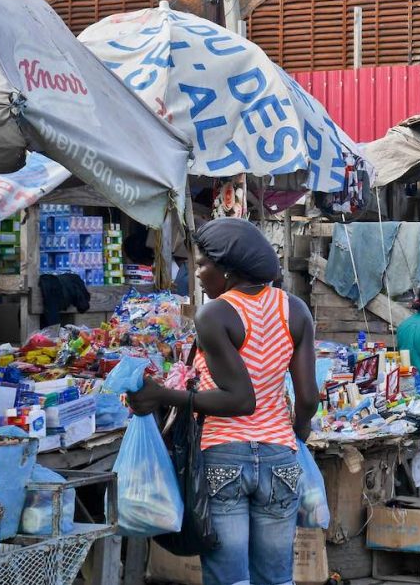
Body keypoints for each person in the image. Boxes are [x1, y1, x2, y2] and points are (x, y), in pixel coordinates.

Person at [127, 219, 318, 585]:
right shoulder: (295, 309)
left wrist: (162, 394)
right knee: (277, 578)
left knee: (229, 579)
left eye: (202, 264)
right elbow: (308, 398)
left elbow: (240, 400)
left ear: (228, 267)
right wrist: (297, 432)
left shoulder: (215, 314)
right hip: (280, 457)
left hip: (224, 456)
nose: (197, 274)